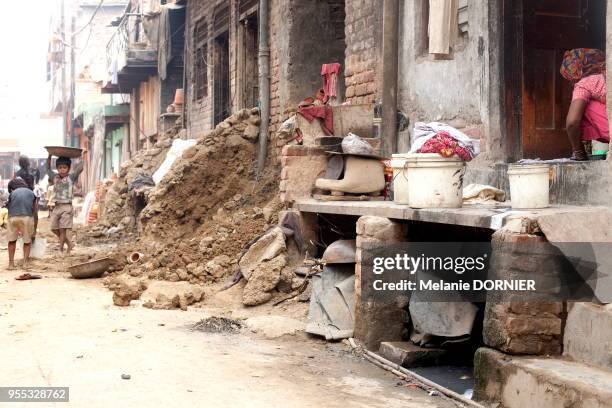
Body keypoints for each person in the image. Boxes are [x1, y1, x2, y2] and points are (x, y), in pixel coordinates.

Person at [560, 48, 609, 161]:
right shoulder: (607, 74)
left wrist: (578, 151)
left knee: (581, 107)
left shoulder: (585, 84)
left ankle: (579, 152)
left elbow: (572, 122)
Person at [45, 155, 84, 254]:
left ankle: (61, 249)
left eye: (65, 167)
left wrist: (83, 156)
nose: (62, 170)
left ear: (68, 168)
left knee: (62, 230)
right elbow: (47, 168)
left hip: (67, 206)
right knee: (53, 228)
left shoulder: (71, 177)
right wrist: (49, 156)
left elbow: (80, 168)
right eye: (60, 167)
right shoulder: (54, 177)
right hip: (57, 206)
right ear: (57, 168)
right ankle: (69, 243)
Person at [6, 178, 37, 269]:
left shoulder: (12, 193)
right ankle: (25, 263)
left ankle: (11, 264)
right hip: (27, 217)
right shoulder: (31, 193)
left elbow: (9, 206)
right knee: (27, 241)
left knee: (12, 241)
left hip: (12, 217)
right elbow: (34, 210)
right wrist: (34, 227)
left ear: (12, 188)